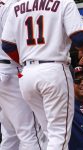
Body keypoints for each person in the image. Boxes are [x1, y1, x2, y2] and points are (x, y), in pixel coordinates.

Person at [1, 0, 83, 149]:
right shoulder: (64, 2)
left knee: (48, 134)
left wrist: (24, 61)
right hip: (53, 69)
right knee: (58, 135)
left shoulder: (17, 6)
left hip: (27, 74)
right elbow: (79, 38)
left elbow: (7, 45)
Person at [0, 0, 43, 150]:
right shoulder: (12, 5)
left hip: (4, 73)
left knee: (10, 133)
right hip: (11, 69)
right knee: (30, 131)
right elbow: (10, 44)